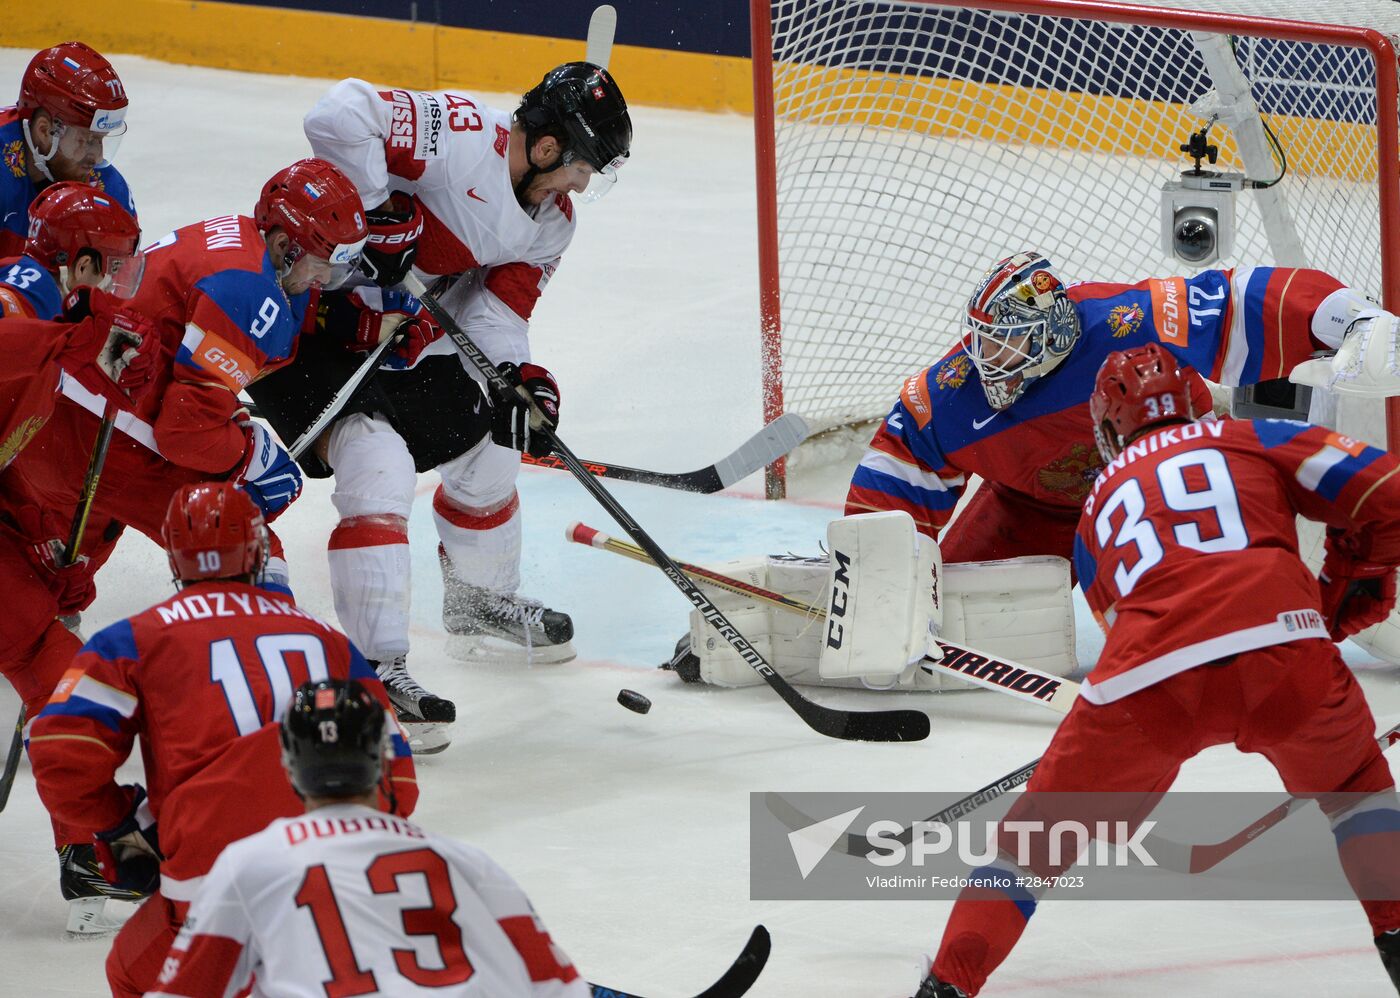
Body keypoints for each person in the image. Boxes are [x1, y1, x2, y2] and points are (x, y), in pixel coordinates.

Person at [913, 342, 1400, 997]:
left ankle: (947, 985)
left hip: (1148, 683)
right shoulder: (1249, 435)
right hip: (1285, 656)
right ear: (1199, 403)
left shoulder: (1093, 512)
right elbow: (1386, 493)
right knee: (1359, 793)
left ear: (1111, 427)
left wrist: (1124, 790)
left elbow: (1126, 637)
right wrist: (1354, 573)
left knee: (1028, 850)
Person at [248, 62, 632, 750]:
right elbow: (338, 113)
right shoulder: (454, 137)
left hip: (399, 342)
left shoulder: (551, 224)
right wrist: (373, 220)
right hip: (310, 329)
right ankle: (375, 675)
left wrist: (517, 377)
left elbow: (497, 308)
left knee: (498, 431)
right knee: (380, 467)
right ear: (546, 147)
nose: (581, 184)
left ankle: (477, 599)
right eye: (581, 166)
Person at [0, 157, 366, 733]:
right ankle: (273, 705)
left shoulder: (233, 238)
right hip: (103, 437)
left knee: (49, 578)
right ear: (286, 243)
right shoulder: (253, 293)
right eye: (324, 263)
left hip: (53, 420)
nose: (325, 282)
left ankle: (27, 708)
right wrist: (246, 455)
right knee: (239, 535)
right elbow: (184, 433)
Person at [27, 482, 418, 990]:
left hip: (210, 883)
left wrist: (123, 823)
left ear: (174, 557)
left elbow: (62, 753)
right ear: (256, 552)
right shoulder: (325, 639)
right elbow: (399, 779)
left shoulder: (133, 639)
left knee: (131, 973)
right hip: (340, 882)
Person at [845, 251, 1397, 570]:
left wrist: (1344, 316)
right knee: (972, 628)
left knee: (1214, 605)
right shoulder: (950, 391)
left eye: (1008, 342)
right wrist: (873, 569)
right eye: (985, 342)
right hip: (1035, 506)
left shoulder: (1128, 319)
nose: (991, 361)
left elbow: (1240, 297)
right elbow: (900, 465)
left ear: (1054, 330)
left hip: (1168, 476)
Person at [148, 676, 588, 997]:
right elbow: (560, 986)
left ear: (288, 764)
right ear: (382, 759)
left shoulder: (249, 862)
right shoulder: (463, 861)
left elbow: (183, 993)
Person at [1, 41, 136, 257]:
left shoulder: (110, 194)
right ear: (45, 131)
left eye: (102, 139)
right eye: (87, 140)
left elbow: (118, 286)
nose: (99, 156)